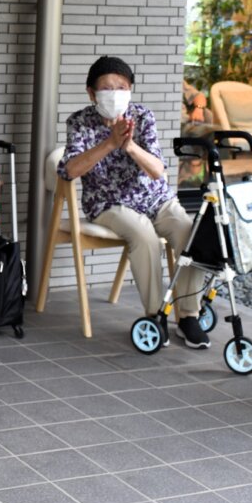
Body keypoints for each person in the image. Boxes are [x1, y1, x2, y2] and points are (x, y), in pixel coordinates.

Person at [58, 56, 210, 348]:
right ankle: (156, 315)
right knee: (144, 236)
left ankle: (189, 315)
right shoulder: (79, 121)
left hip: (155, 198)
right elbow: (70, 170)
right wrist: (110, 143)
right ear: (91, 93)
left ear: (130, 90)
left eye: (122, 87)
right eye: (107, 88)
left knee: (188, 232)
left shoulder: (143, 116)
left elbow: (157, 170)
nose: (115, 94)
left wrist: (129, 146)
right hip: (108, 203)